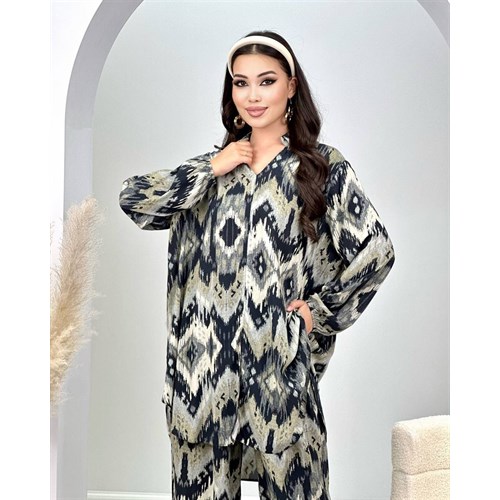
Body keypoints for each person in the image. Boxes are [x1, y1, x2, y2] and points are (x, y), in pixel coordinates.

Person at [119, 30, 395, 500]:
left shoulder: (322, 168)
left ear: (291, 86)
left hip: (278, 377)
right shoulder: (214, 169)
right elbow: (135, 200)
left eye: (266, 81)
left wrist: (318, 312)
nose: (252, 95)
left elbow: (376, 251)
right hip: (203, 379)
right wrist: (210, 168)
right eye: (240, 83)